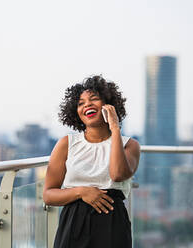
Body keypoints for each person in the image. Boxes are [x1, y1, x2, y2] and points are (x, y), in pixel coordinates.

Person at [43, 75, 140, 248]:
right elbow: (48, 195)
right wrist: (81, 192)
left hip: (112, 222)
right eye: (80, 103)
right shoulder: (66, 144)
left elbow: (117, 174)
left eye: (94, 99)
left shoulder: (129, 145)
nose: (87, 104)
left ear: (109, 105)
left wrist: (115, 128)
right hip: (73, 223)